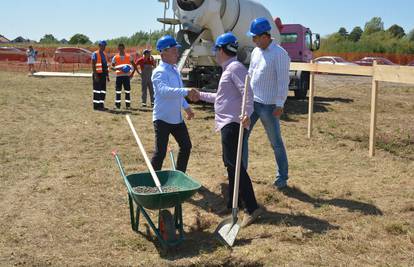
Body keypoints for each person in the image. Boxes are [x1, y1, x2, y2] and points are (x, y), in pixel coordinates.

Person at [190, 32, 262, 227]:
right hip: (226, 123)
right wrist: (201, 96)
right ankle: (233, 204)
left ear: (221, 50)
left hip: (233, 123)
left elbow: (248, 92)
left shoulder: (235, 68)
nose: (215, 54)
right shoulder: (228, 68)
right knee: (231, 164)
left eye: (216, 50)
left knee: (236, 165)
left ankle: (252, 208)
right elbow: (222, 98)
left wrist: (246, 113)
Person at [245, 17, 291, 189]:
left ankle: (282, 178)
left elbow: (283, 81)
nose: (253, 40)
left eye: (255, 37)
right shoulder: (256, 51)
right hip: (253, 102)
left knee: (275, 142)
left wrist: (280, 104)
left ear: (265, 36)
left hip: (269, 106)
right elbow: (250, 73)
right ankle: (242, 173)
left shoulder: (279, 54)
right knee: (243, 137)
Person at [150, 35, 198, 173]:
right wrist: (186, 91)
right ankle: (154, 181)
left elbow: (178, 93)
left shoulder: (174, 69)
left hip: (177, 119)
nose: (177, 53)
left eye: (177, 50)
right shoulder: (159, 72)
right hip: (162, 119)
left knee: (186, 146)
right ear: (163, 52)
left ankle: (180, 175)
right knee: (160, 153)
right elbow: (164, 91)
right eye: (174, 50)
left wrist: (187, 108)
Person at [111, 43, 138, 109]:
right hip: (119, 76)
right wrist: (116, 68)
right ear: (118, 49)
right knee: (118, 91)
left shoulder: (129, 56)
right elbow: (112, 66)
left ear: (124, 48)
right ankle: (117, 105)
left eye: (121, 48)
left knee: (127, 91)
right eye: (119, 48)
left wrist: (132, 73)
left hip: (126, 77)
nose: (120, 49)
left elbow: (134, 65)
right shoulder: (115, 57)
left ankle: (128, 105)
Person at [91, 40, 110, 111]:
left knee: (103, 91)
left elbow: (105, 66)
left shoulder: (104, 54)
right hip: (97, 74)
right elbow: (93, 64)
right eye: (102, 45)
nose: (104, 47)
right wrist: (95, 75)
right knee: (97, 91)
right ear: (99, 46)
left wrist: (107, 76)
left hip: (103, 75)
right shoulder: (95, 54)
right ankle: (96, 106)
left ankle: (101, 105)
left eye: (105, 45)